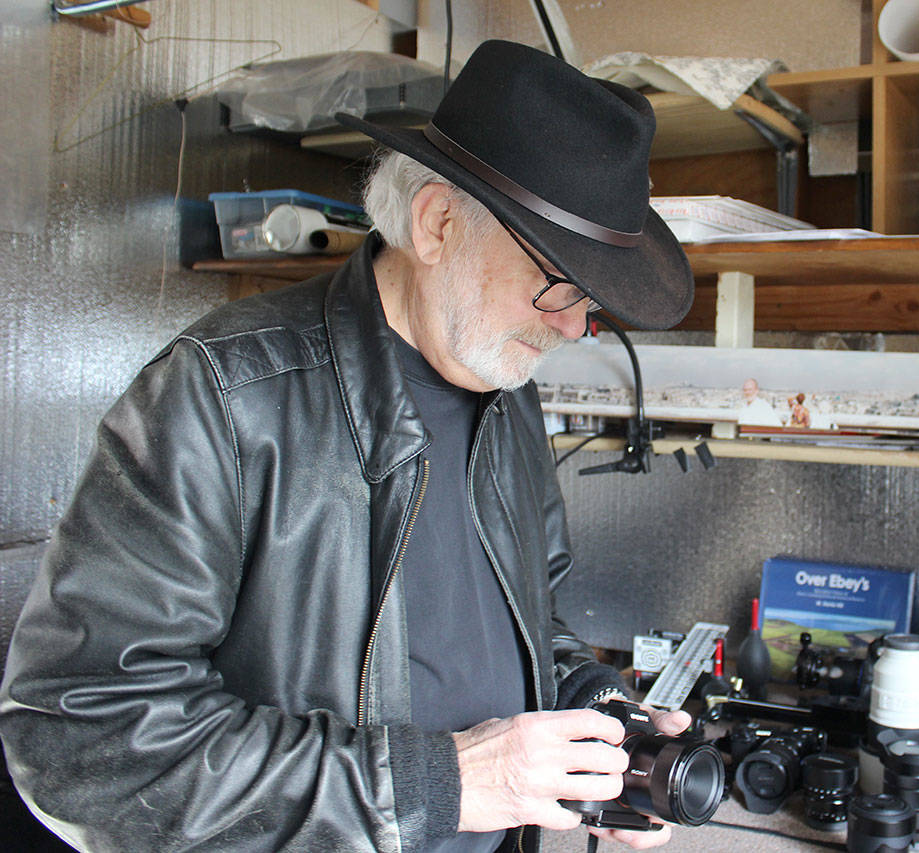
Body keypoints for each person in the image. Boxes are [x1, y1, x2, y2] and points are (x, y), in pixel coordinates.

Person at [0, 41, 695, 853]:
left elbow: (530, 622)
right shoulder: (224, 396)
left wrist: (598, 712)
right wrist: (441, 784)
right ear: (438, 223)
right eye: (560, 285)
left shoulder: (508, 396)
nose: (576, 326)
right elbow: (83, 736)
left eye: (592, 302)